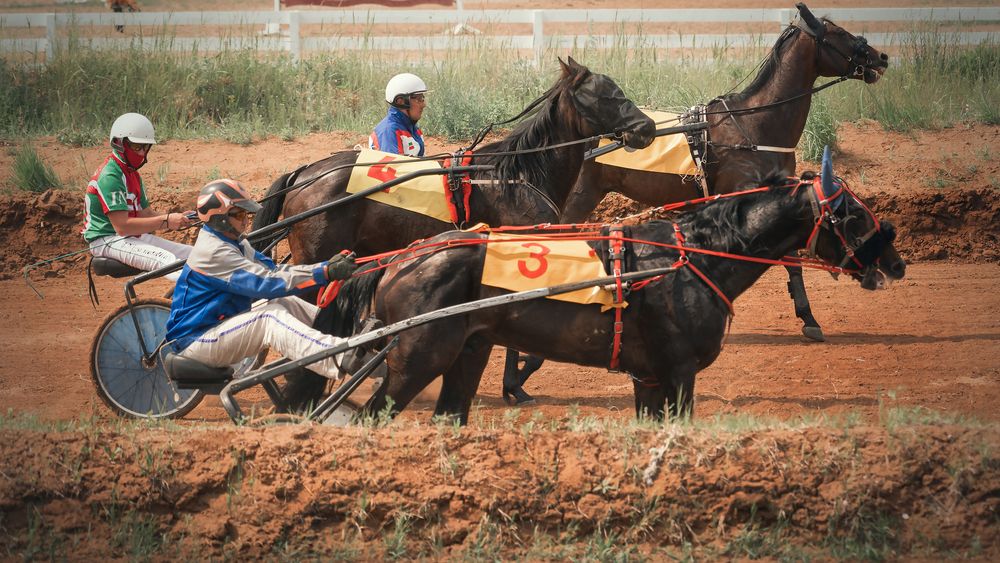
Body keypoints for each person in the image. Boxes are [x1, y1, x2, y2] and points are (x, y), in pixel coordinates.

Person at [165, 179, 358, 380]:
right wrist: (323, 272)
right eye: (239, 214)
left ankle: (347, 332)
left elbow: (274, 271)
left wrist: (323, 268)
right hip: (195, 341)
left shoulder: (235, 242)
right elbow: (267, 283)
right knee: (268, 318)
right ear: (219, 217)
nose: (246, 220)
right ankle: (337, 356)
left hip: (215, 327)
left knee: (282, 301)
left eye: (246, 214)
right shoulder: (215, 252)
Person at [83, 112, 194, 281]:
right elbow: (122, 226)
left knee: (193, 254)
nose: (142, 153)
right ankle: (196, 300)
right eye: (137, 147)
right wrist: (167, 221)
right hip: (108, 240)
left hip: (129, 237)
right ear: (119, 143)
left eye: (146, 147)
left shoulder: (131, 173)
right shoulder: (110, 176)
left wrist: (178, 219)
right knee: (166, 261)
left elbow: (146, 214)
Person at [369, 72, 428, 157]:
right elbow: (393, 167)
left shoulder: (413, 129)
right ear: (400, 101)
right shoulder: (389, 130)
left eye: (422, 98)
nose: (424, 105)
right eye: (419, 99)